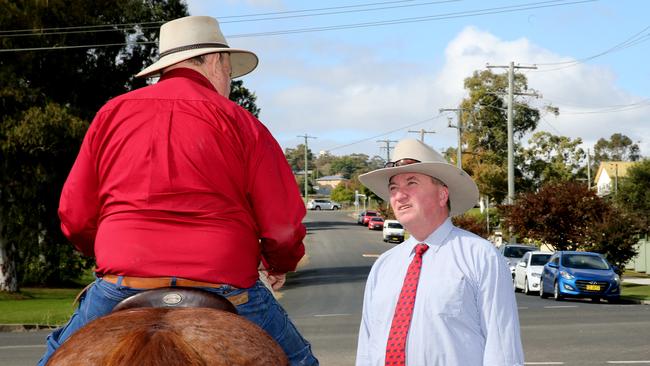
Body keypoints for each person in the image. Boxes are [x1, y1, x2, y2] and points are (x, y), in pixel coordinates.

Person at [39, 15, 318, 366]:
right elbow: (282, 223)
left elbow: (75, 215)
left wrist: (108, 250)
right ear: (214, 60)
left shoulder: (111, 114)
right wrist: (280, 263)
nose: (230, 81)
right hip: (225, 280)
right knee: (301, 360)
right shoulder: (242, 122)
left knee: (52, 358)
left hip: (124, 279)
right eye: (230, 70)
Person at [355, 139, 523, 366]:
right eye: (393, 188)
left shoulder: (481, 257)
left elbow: (502, 349)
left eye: (411, 183)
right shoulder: (384, 267)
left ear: (443, 194)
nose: (399, 196)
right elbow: (367, 347)